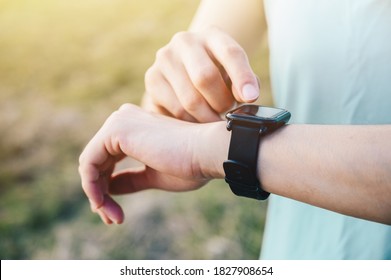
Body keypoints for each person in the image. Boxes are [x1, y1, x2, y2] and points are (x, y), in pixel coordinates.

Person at [78, 0, 391, 259]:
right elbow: (163, 108)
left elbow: (199, 146)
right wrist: (173, 94)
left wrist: (210, 149)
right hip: (295, 247)